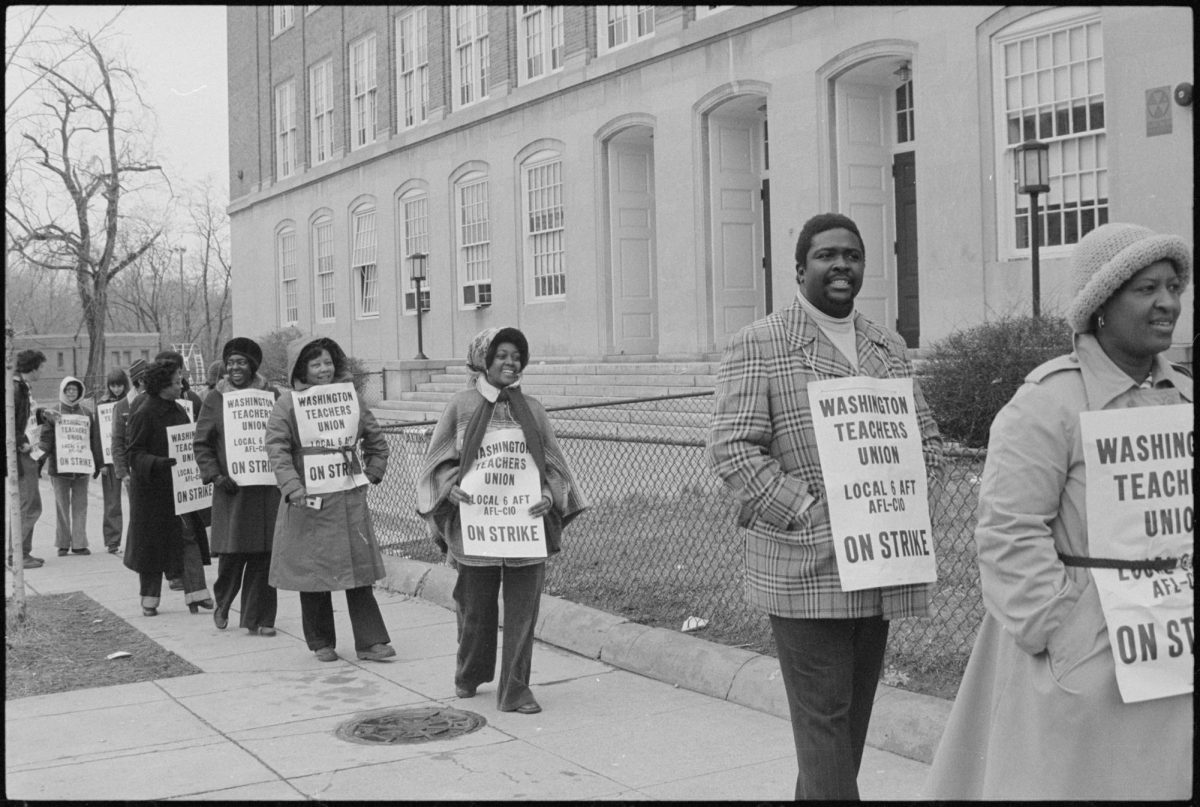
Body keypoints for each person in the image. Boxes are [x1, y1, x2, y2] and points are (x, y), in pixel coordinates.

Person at [926, 223, 1193, 800]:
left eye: (1174, 286)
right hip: (1084, 661)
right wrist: (1061, 630)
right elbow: (1007, 533)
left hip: (1174, 652)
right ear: (1100, 303)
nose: (1168, 303)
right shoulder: (1047, 403)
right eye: (1147, 289)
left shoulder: (1186, 399)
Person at [707, 213, 943, 799]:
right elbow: (732, 449)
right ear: (799, 268)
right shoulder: (761, 341)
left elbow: (928, 440)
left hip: (879, 564)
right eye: (827, 255)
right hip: (804, 568)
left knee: (844, 731)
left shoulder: (886, 345)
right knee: (824, 725)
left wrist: (904, 494)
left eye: (853, 256)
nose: (842, 265)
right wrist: (812, 510)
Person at [417, 327, 588, 714]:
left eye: (516, 356)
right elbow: (437, 461)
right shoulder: (460, 406)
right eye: (502, 355)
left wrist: (548, 495)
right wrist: (451, 488)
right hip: (476, 526)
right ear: (484, 360)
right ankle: (469, 672)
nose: (511, 363)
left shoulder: (534, 409)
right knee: (475, 607)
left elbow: (553, 466)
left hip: (525, 529)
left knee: (523, 611)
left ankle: (515, 690)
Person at [265, 335, 394, 662]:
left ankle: (371, 642)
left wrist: (374, 471)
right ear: (301, 369)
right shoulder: (287, 404)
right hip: (308, 500)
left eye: (328, 362)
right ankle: (320, 641)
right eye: (315, 364)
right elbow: (277, 448)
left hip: (348, 498)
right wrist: (293, 487)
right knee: (314, 574)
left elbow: (376, 440)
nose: (324, 369)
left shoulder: (352, 399)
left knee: (359, 573)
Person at [195, 338, 281, 636]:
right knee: (233, 554)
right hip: (232, 489)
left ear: (252, 365)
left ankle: (261, 618)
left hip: (266, 489)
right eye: (230, 362)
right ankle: (223, 602)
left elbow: (284, 435)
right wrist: (215, 475)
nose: (234, 368)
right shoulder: (214, 398)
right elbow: (201, 444)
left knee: (265, 553)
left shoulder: (271, 394)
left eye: (241, 362)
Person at [124, 359, 215, 616]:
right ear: (162, 385)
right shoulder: (143, 412)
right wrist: (159, 463)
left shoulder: (179, 410)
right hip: (152, 492)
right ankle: (149, 599)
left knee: (188, 538)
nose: (181, 385)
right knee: (152, 546)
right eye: (176, 381)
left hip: (179, 490)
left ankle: (197, 593)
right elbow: (134, 455)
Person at [39, 376, 101, 556]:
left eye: (74, 389)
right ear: (63, 391)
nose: (71, 393)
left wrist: (97, 463)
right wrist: (39, 462)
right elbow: (46, 439)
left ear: (80, 391)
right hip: (59, 469)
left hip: (81, 468)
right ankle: (63, 543)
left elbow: (93, 439)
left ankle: (80, 543)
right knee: (62, 507)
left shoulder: (87, 413)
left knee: (81, 506)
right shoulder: (54, 412)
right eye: (68, 390)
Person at [9, 349, 51, 568]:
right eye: (41, 367)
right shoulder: (16, 389)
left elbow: (26, 416)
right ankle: (18, 554)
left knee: (26, 504)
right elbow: (9, 419)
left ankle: (20, 551)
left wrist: (43, 414)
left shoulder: (22, 388)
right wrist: (20, 441)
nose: (42, 371)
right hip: (23, 453)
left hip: (27, 451)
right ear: (32, 368)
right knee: (30, 504)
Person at [92, 368, 130, 553]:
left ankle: (135, 539)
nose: (116, 389)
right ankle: (112, 541)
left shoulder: (132, 402)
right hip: (108, 460)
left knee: (137, 501)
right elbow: (97, 436)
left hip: (129, 458)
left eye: (119, 385)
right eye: (112, 385)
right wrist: (100, 463)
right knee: (112, 503)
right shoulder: (101, 404)